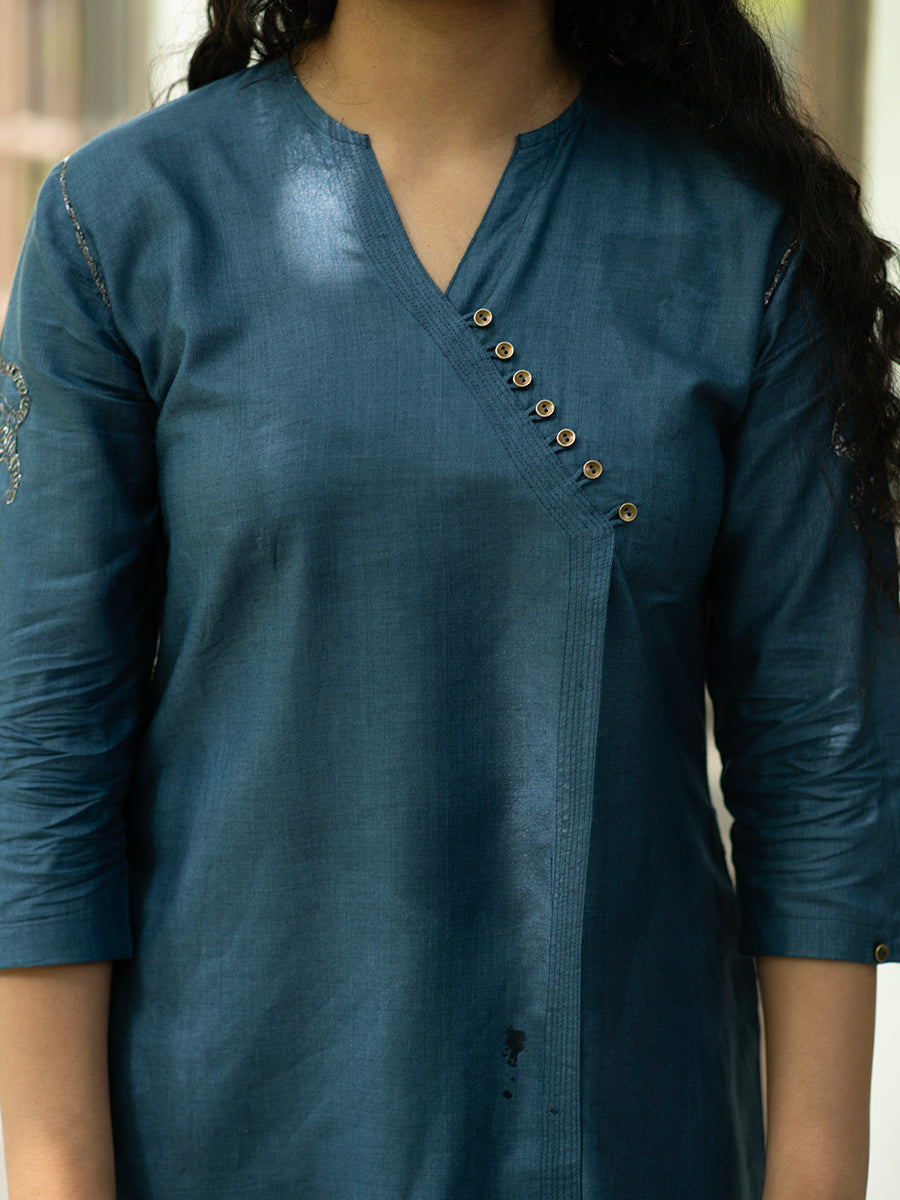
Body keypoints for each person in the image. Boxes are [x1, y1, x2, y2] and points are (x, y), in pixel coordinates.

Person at [1, 0, 899, 1197]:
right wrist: (57, 1175)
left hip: (624, 1133)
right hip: (224, 1129)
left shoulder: (739, 241)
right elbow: (42, 756)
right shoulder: (123, 222)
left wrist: (819, 1177)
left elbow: (823, 763)